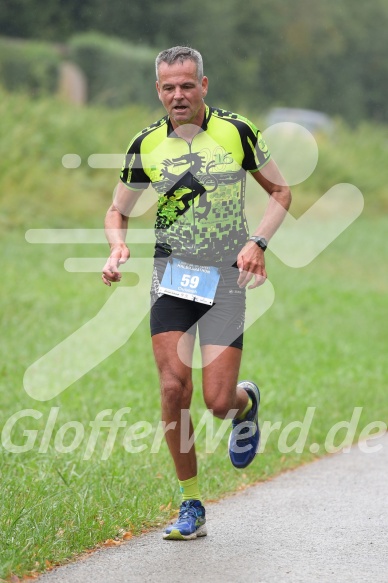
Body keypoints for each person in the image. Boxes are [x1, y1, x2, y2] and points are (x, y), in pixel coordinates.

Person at [102, 46, 291, 540]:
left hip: (227, 276)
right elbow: (117, 209)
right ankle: (191, 504)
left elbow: (280, 192)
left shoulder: (237, 131)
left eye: (187, 85)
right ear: (158, 90)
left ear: (204, 86)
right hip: (173, 275)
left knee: (217, 399)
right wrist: (117, 244)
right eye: (169, 87)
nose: (178, 95)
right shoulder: (146, 143)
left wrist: (259, 242)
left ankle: (244, 405)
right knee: (171, 389)